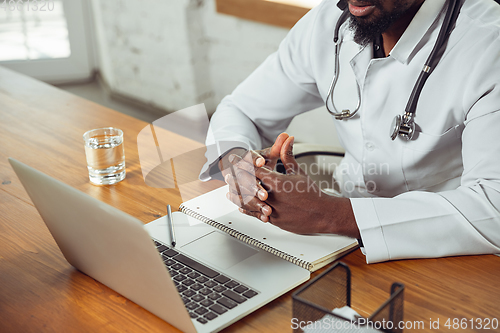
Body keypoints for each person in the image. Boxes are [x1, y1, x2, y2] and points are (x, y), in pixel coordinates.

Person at [200, 0, 500, 263]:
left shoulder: (488, 43)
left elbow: (493, 210)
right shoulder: (330, 21)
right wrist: (239, 166)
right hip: (336, 240)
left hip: (447, 249)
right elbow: (241, 110)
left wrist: (329, 214)